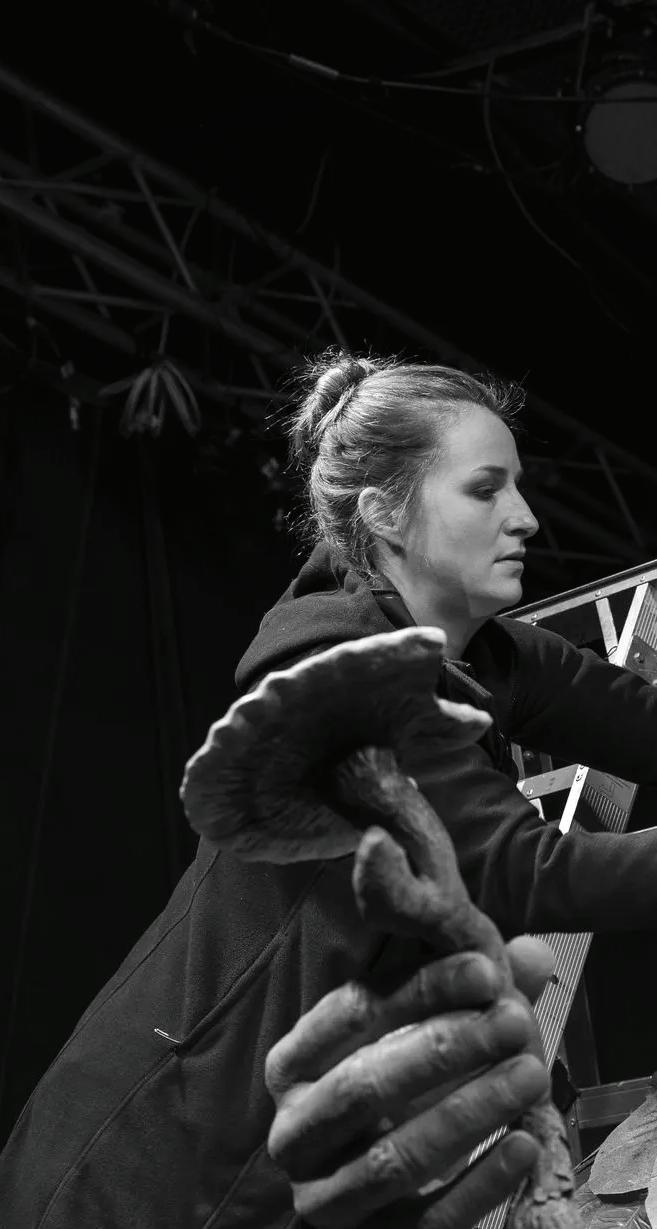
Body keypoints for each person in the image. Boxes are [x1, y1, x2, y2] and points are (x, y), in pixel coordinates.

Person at [0, 348, 656, 1228]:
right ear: (384, 512)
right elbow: (524, 868)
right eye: (485, 489)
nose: (526, 517)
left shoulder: (476, 653)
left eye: (518, 486)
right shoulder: (341, 682)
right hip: (154, 1166)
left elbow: (627, 714)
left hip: (295, 1159)